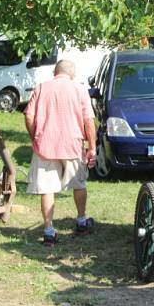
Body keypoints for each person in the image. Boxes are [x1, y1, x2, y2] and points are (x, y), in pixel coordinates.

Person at [25, 59, 97, 247]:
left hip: (45, 145)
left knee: (47, 189)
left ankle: (49, 231)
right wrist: (92, 148)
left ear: (54, 73)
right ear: (72, 74)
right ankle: (81, 221)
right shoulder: (80, 90)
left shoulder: (41, 88)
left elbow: (29, 116)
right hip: (72, 144)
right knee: (79, 184)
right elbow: (89, 121)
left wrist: (35, 137)